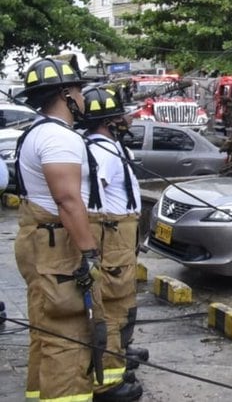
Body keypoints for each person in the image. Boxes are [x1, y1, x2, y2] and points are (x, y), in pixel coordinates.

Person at [11, 58, 132, 401]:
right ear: (65, 94)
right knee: (69, 333)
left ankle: (39, 391)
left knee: (47, 325)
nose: (82, 98)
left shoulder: (38, 132)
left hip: (41, 240)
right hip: (58, 244)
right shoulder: (58, 138)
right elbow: (67, 201)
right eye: (78, 89)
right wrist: (90, 252)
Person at [80, 87, 147, 398]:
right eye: (120, 116)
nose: (126, 121)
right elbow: (95, 202)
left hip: (123, 232)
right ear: (109, 121)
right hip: (112, 234)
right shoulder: (99, 152)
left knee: (124, 298)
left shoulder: (111, 147)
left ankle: (120, 357)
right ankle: (108, 378)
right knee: (113, 302)